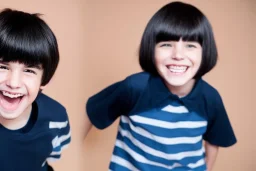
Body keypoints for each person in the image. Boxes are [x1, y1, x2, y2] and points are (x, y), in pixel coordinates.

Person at [86, 1, 236, 171]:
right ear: (151, 48)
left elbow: (213, 141)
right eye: (166, 44)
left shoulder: (210, 98)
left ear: (205, 51)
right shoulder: (134, 87)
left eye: (190, 46)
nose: (178, 55)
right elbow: (90, 112)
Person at [0, 9, 71, 171]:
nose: (13, 83)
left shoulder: (56, 117)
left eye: (29, 71)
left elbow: (53, 155)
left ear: (44, 81)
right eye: (2, 67)